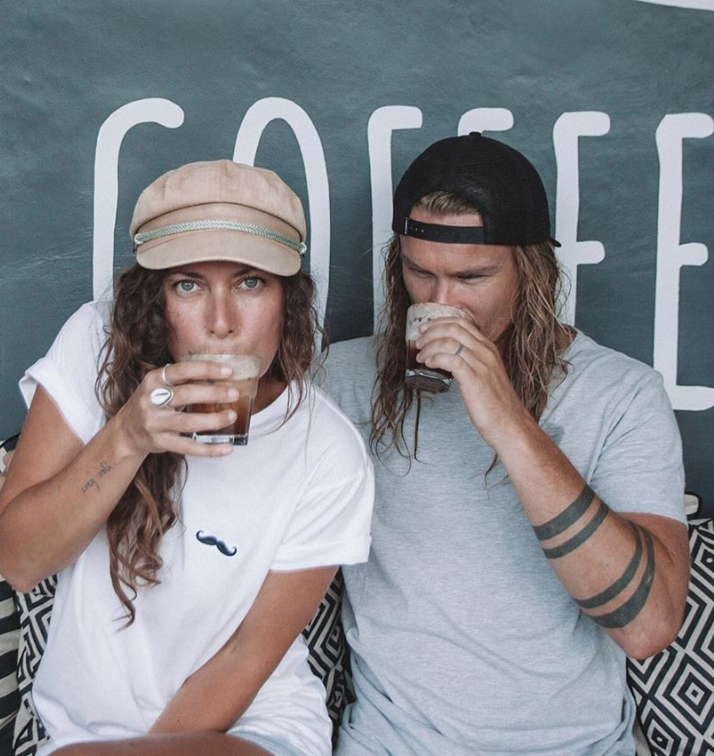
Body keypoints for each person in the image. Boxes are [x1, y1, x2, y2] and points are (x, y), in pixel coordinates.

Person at [322, 132, 690, 755]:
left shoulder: (621, 394)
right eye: (420, 272)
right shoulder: (343, 381)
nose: (442, 303)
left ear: (531, 271)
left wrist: (507, 419)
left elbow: (649, 626)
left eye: (472, 277)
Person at [0, 160, 373, 756]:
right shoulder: (95, 349)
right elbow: (17, 560)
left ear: (289, 299)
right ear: (155, 301)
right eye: (189, 284)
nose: (221, 324)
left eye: (250, 282)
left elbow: (245, 657)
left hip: (245, 728)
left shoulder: (327, 451)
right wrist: (127, 435)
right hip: (78, 734)